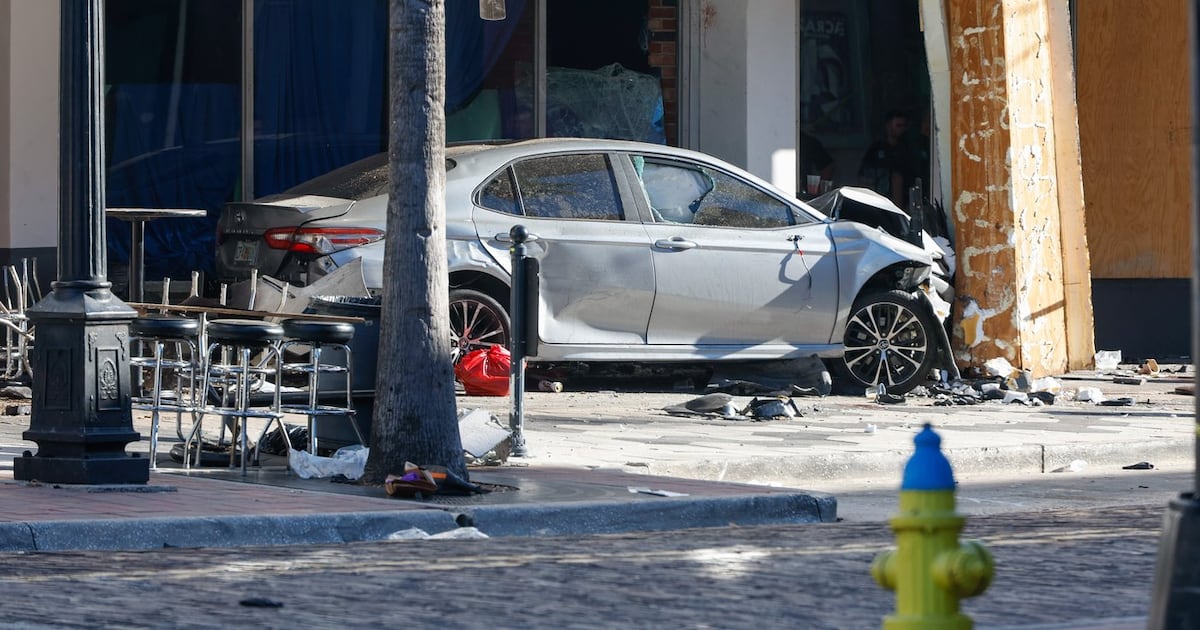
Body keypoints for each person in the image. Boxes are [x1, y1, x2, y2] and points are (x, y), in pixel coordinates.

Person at [858, 109, 920, 209]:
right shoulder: (876, 149)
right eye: (898, 125)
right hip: (877, 202)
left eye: (904, 126)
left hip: (903, 205)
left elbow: (901, 179)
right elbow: (863, 177)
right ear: (888, 126)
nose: (902, 129)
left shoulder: (907, 150)